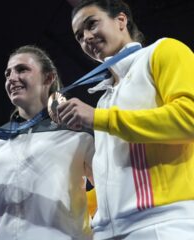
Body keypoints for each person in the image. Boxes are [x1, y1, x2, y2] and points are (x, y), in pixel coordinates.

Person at [57, 0, 194, 239]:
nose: (86, 37)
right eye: (79, 36)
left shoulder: (163, 51)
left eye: (92, 24)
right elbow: (115, 174)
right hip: (109, 231)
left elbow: (189, 119)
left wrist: (99, 118)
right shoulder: (104, 99)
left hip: (162, 222)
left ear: (121, 20)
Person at [0, 45, 95, 239]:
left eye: (22, 69)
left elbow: (109, 192)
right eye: (7, 74)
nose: (11, 78)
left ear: (48, 78)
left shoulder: (77, 131)